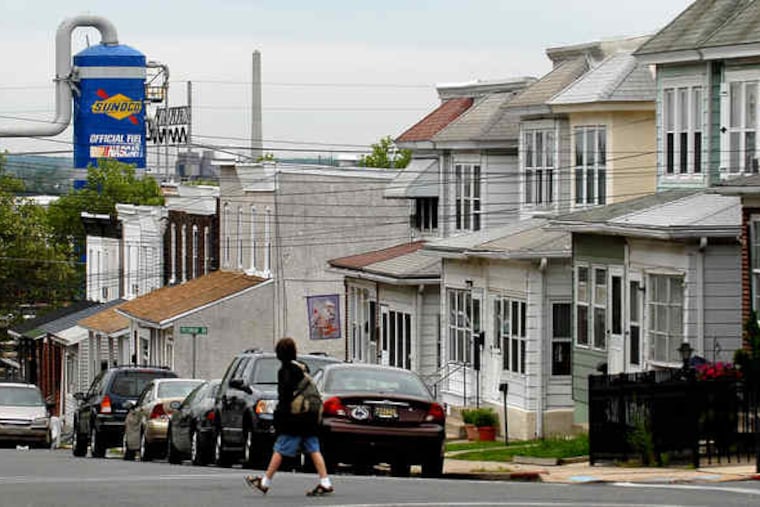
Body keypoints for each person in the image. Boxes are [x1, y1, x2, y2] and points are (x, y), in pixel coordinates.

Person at [245, 337, 334, 496]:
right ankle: (325, 481)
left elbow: (285, 397)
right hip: (310, 417)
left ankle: (265, 482)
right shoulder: (301, 367)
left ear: (279, 353)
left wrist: (279, 418)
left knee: (280, 448)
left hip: (295, 419)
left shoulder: (285, 371)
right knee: (313, 448)